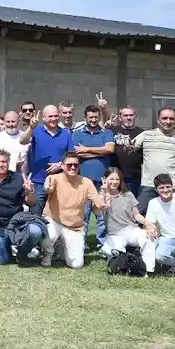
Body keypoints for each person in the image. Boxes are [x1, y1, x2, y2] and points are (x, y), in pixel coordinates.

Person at [40, 152, 107, 269]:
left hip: (74, 227)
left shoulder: (87, 182)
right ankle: (48, 254)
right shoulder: (53, 178)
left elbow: (97, 205)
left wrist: (104, 202)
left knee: (77, 264)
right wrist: (48, 188)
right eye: (69, 165)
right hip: (53, 220)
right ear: (62, 165)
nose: (72, 167)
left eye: (76, 165)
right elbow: (48, 189)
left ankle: (61, 248)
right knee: (50, 236)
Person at [71, 105, 115, 247]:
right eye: (91, 117)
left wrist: (87, 149)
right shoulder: (77, 134)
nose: (94, 120)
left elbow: (110, 149)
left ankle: (103, 244)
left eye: (96, 117)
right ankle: (80, 243)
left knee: (102, 214)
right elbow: (76, 153)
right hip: (83, 180)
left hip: (102, 180)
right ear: (85, 118)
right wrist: (100, 151)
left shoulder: (106, 132)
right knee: (83, 214)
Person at [99, 167, 155, 275]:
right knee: (115, 252)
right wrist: (105, 192)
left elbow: (137, 215)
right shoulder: (101, 196)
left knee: (149, 237)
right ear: (105, 179)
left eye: (117, 179)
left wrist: (148, 224)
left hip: (131, 229)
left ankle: (147, 269)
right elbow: (98, 208)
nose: (114, 182)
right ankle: (120, 266)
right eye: (111, 179)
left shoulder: (128, 195)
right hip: (114, 233)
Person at [20, 105, 73, 215]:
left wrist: (60, 164)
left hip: (60, 181)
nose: (53, 119)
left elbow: (71, 155)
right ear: (43, 118)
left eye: (55, 116)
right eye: (50, 116)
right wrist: (31, 127)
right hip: (38, 181)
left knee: (60, 214)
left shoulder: (66, 134)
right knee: (36, 215)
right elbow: (23, 141)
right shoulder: (36, 131)